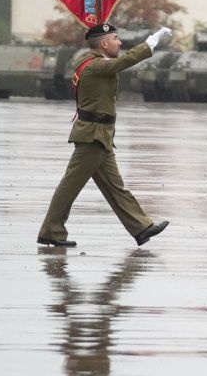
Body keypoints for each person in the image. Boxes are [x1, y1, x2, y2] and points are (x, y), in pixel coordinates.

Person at [38, 21, 173, 248]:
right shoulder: (94, 65)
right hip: (92, 136)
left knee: (115, 187)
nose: (119, 43)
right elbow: (125, 61)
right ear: (103, 43)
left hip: (99, 135)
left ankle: (141, 227)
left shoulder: (95, 61)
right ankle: (51, 231)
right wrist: (152, 42)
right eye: (116, 39)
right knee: (70, 186)